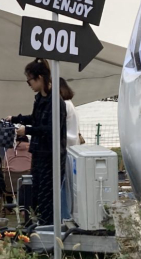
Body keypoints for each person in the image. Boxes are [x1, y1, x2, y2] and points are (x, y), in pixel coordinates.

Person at [6, 58, 66, 226]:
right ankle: (40, 224)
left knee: (48, 194)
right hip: (39, 152)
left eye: (29, 80)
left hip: (51, 155)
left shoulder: (56, 101)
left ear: (39, 78)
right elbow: (34, 119)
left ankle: (48, 228)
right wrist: (15, 119)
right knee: (37, 191)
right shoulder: (40, 98)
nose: (29, 84)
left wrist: (28, 130)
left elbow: (51, 129)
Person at [59, 77, 79, 220]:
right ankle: (66, 215)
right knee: (68, 186)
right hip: (72, 147)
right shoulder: (70, 104)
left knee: (64, 187)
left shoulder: (64, 105)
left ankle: (64, 216)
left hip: (66, 148)